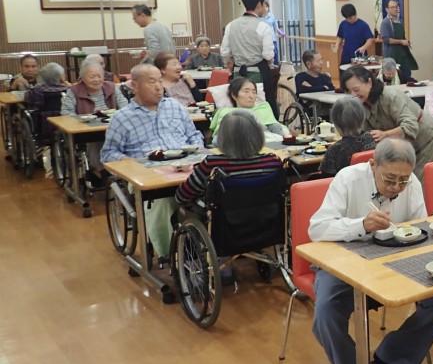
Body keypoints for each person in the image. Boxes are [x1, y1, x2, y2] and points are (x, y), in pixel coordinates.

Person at [309, 139, 433, 364]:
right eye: (390, 179)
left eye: (403, 181)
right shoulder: (347, 179)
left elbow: (421, 228)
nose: (397, 187)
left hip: (393, 260)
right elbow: (317, 229)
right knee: (326, 314)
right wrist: (361, 224)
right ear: (372, 164)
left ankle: (393, 358)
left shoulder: (411, 183)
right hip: (344, 261)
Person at [100, 64, 204, 260]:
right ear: (134, 86)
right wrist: (130, 162)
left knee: (215, 192)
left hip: (186, 168)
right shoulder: (122, 118)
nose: (158, 87)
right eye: (151, 82)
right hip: (148, 177)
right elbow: (108, 154)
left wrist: (196, 151)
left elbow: (194, 135)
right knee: (163, 202)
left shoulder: (174, 106)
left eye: (160, 81)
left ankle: (209, 246)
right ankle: (172, 255)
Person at [341, 66, 433, 180]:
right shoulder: (360, 103)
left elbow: (410, 125)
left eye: (356, 90)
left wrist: (385, 134)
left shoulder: (390, 96)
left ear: (369, 83)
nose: (353, 95)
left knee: (420, 183)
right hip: (402, 147)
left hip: (426, 139)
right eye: (348, 91)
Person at [174, 110, 283, 207]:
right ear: (258, 135)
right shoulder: (273, 161)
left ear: (222, 138)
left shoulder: (212, 165)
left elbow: (181, 197)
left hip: (222, 221)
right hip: (268, 219)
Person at [62, 61, 129, 186]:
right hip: (86, 130)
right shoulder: (74, 91)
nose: (97, 80)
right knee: (96, 140)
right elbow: (66, 113)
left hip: (111, 126)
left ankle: (123, 169)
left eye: (99, 76)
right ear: (82, 78)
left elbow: (125, 107)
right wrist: (82, 120)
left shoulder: (111, 87)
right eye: (92, 76)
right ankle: (102, 170)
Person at [221, 0, 279, 119]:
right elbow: (268, 55)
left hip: (238, 72)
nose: (265, 7)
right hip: (259, 71)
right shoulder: (263, 26)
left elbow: (225, 52)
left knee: (240, 105)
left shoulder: (231, 25)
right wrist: (269, 64)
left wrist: (231, 64)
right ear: (259, 5)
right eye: (264, 4)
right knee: (263, 106)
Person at [210, 77, 289, 142]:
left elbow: (276, 129)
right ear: (234, 95)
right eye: (246, 92)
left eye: (254, 92)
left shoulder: (263, 108)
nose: (251, 96)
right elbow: (218, 139)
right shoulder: (226, 112)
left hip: (267, 143)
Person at [319, 95, 376, 177]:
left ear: (335, 122)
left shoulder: (334, 150)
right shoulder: (373, 138)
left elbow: (327, 180)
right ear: (363, 117)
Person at [379, 0, 419, 79]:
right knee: (395, 79)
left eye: (396, 7)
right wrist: (401, 41)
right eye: (392, 7)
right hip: (392, 56)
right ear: (387, 9)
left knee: (406, 77)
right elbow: (386, 40)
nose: (395, 9)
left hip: (403, 55)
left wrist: (405, 42)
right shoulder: (385, 23)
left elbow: (402, 37)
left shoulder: (400, 21)